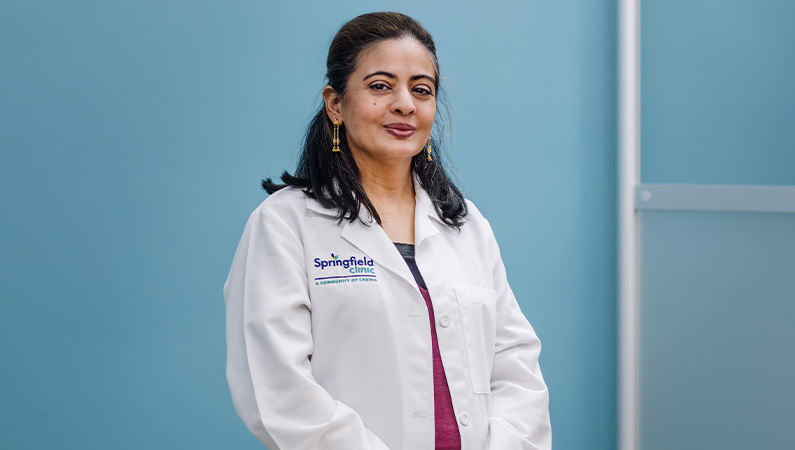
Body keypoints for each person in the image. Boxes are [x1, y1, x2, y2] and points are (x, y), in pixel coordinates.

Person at [224, 12, 551, 450]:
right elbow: (278, 388)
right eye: (380, 86)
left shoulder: (467, 226)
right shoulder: (285, 224)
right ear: (335, 104)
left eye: (422, 90)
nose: (404, 104)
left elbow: (515, 366)